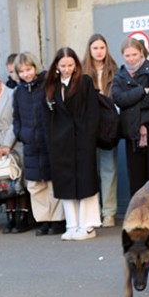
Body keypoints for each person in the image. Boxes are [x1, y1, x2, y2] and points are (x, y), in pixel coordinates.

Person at [44, 47, 101, 240]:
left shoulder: (84, 82)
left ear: (76, 64)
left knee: (86, 182)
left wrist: (89, 137)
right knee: (66, 183)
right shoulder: (51, 86)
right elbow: (46, 117)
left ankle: (88, 225)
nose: (67, 69)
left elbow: (93, 113)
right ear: (57, 66)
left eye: (70, 65)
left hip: (82, 139)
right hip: (60, 142)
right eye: (63, 66)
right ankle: (72, 224)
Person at [12, 52, 66, 235]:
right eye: (22, 71)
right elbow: (16, 117)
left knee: (52, 182)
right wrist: (21, 134)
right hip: (30, 144)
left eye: (28, 69)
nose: (26, 74)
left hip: (48, 141)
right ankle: (43, 219)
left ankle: (58, 219)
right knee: (36, 185)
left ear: (35, 67)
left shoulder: (46, 86)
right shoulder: (18, 91)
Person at [112, 38, 149, 196]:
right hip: (132, 134)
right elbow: (118, 99)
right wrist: (142, 90)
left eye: (134, 54)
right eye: (127, 55)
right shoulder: (120, 75)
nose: (131, 58)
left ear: (141, 52)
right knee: (136, 179)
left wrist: (131, 103)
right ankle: (138, 216)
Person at [0, 70, 32, 233]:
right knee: (4, 182)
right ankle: (10, 218)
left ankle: (23, 218)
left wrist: (6, 145)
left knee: (19, 179)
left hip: (15, 142)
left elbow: (15, 120)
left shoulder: (12, 95)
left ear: (0, 82)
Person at [82, 34, 119, 228]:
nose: (99, 51)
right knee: (90, 170)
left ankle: (109, 213)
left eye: (102, 48)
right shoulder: (81, 71)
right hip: (88, 126)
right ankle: (92, 211)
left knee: (108, 169)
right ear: (89, 50)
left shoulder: (114, 70)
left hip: (108, 126)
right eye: (95, 48)